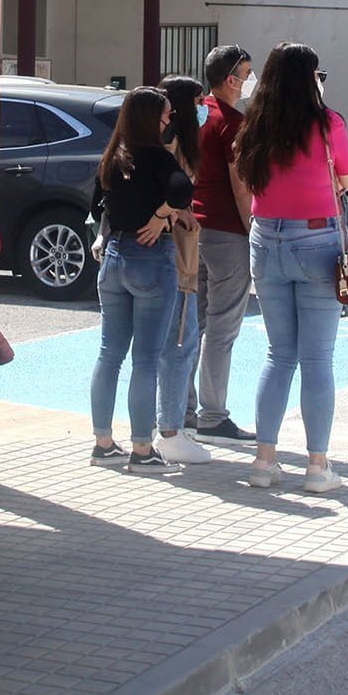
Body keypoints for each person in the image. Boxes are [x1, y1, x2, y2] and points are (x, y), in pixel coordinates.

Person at [235, 42, 348, 493]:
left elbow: (249, 180)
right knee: (317, 359)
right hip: (316, 238)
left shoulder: (256, 125)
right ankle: (318, 466)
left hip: (265, 238)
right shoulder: (328, 123)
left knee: (278, 354)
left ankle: (264, 462)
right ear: (311, 79)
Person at [88, 86, 195, 473]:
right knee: (146, 359)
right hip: (151, 257)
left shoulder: (113, 156)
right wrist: (160, 215)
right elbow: (184, 190)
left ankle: (102, 442)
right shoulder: (157, 157)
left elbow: (98, 203)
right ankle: (142, 449)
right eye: (166, 115)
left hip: (114, 258)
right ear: (153, 118)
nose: (170, 121)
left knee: (109, 354)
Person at [190, 45, 256, 444]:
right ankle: (213, 415)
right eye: (247, 73)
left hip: (191, 228)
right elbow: (241, 185)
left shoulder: (197, 112)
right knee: (222, 325)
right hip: (227, 231)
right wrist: (254, 230)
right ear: (231, 79)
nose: (251, 79)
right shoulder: (234, 122)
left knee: (191, 323)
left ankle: (183, 410)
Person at [154, 74, 213, 463]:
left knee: (148, 345)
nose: (203, 107)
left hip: (163, 245)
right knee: (181, 337)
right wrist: (179, 213)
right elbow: (173, 192)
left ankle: (160, 427)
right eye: (197, 101)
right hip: (173, 249)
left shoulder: (161, 140)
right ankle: (172, 428)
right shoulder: (172, 144)